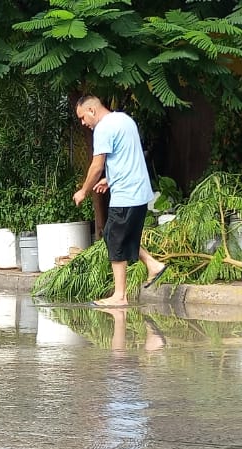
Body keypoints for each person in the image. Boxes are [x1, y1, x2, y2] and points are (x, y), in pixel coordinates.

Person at [73, 96, 166, 307]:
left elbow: (97, 166)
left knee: (113, 239)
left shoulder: (104, 129)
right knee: (121, 236)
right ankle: (153, 265)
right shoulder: (124, 120)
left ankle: (120, 296)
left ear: (91, 110)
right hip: (139, 192)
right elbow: (128, 157)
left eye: (82, 117)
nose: (83, 123)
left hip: (126, 194)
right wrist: (110, 179)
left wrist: (83, 191)